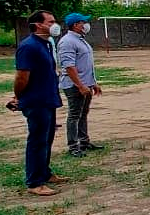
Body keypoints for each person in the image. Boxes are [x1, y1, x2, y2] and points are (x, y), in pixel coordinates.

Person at [11, 10, 67, 197]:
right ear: (38, 25)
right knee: (37, 141)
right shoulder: (29, 47)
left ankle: (45, 172)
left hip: (48, 99)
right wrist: (18, 97)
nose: (55, 24)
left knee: (47, 139)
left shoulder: (46, 45)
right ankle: (34, 182)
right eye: (50, 21)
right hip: (36, 101)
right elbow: (21, 76)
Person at [58, 13, 103, 157]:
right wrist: (80, 85)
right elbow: (69, 67)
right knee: (74, 115)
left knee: (83, 114)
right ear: (76, 25)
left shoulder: (81, 40)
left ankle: (84, 141)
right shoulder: (67, 41)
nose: (86, 25)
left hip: (86, 84)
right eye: (83, 22)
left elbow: (86, 64)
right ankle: (73, 146)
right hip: (74, 86)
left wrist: (92, 83)